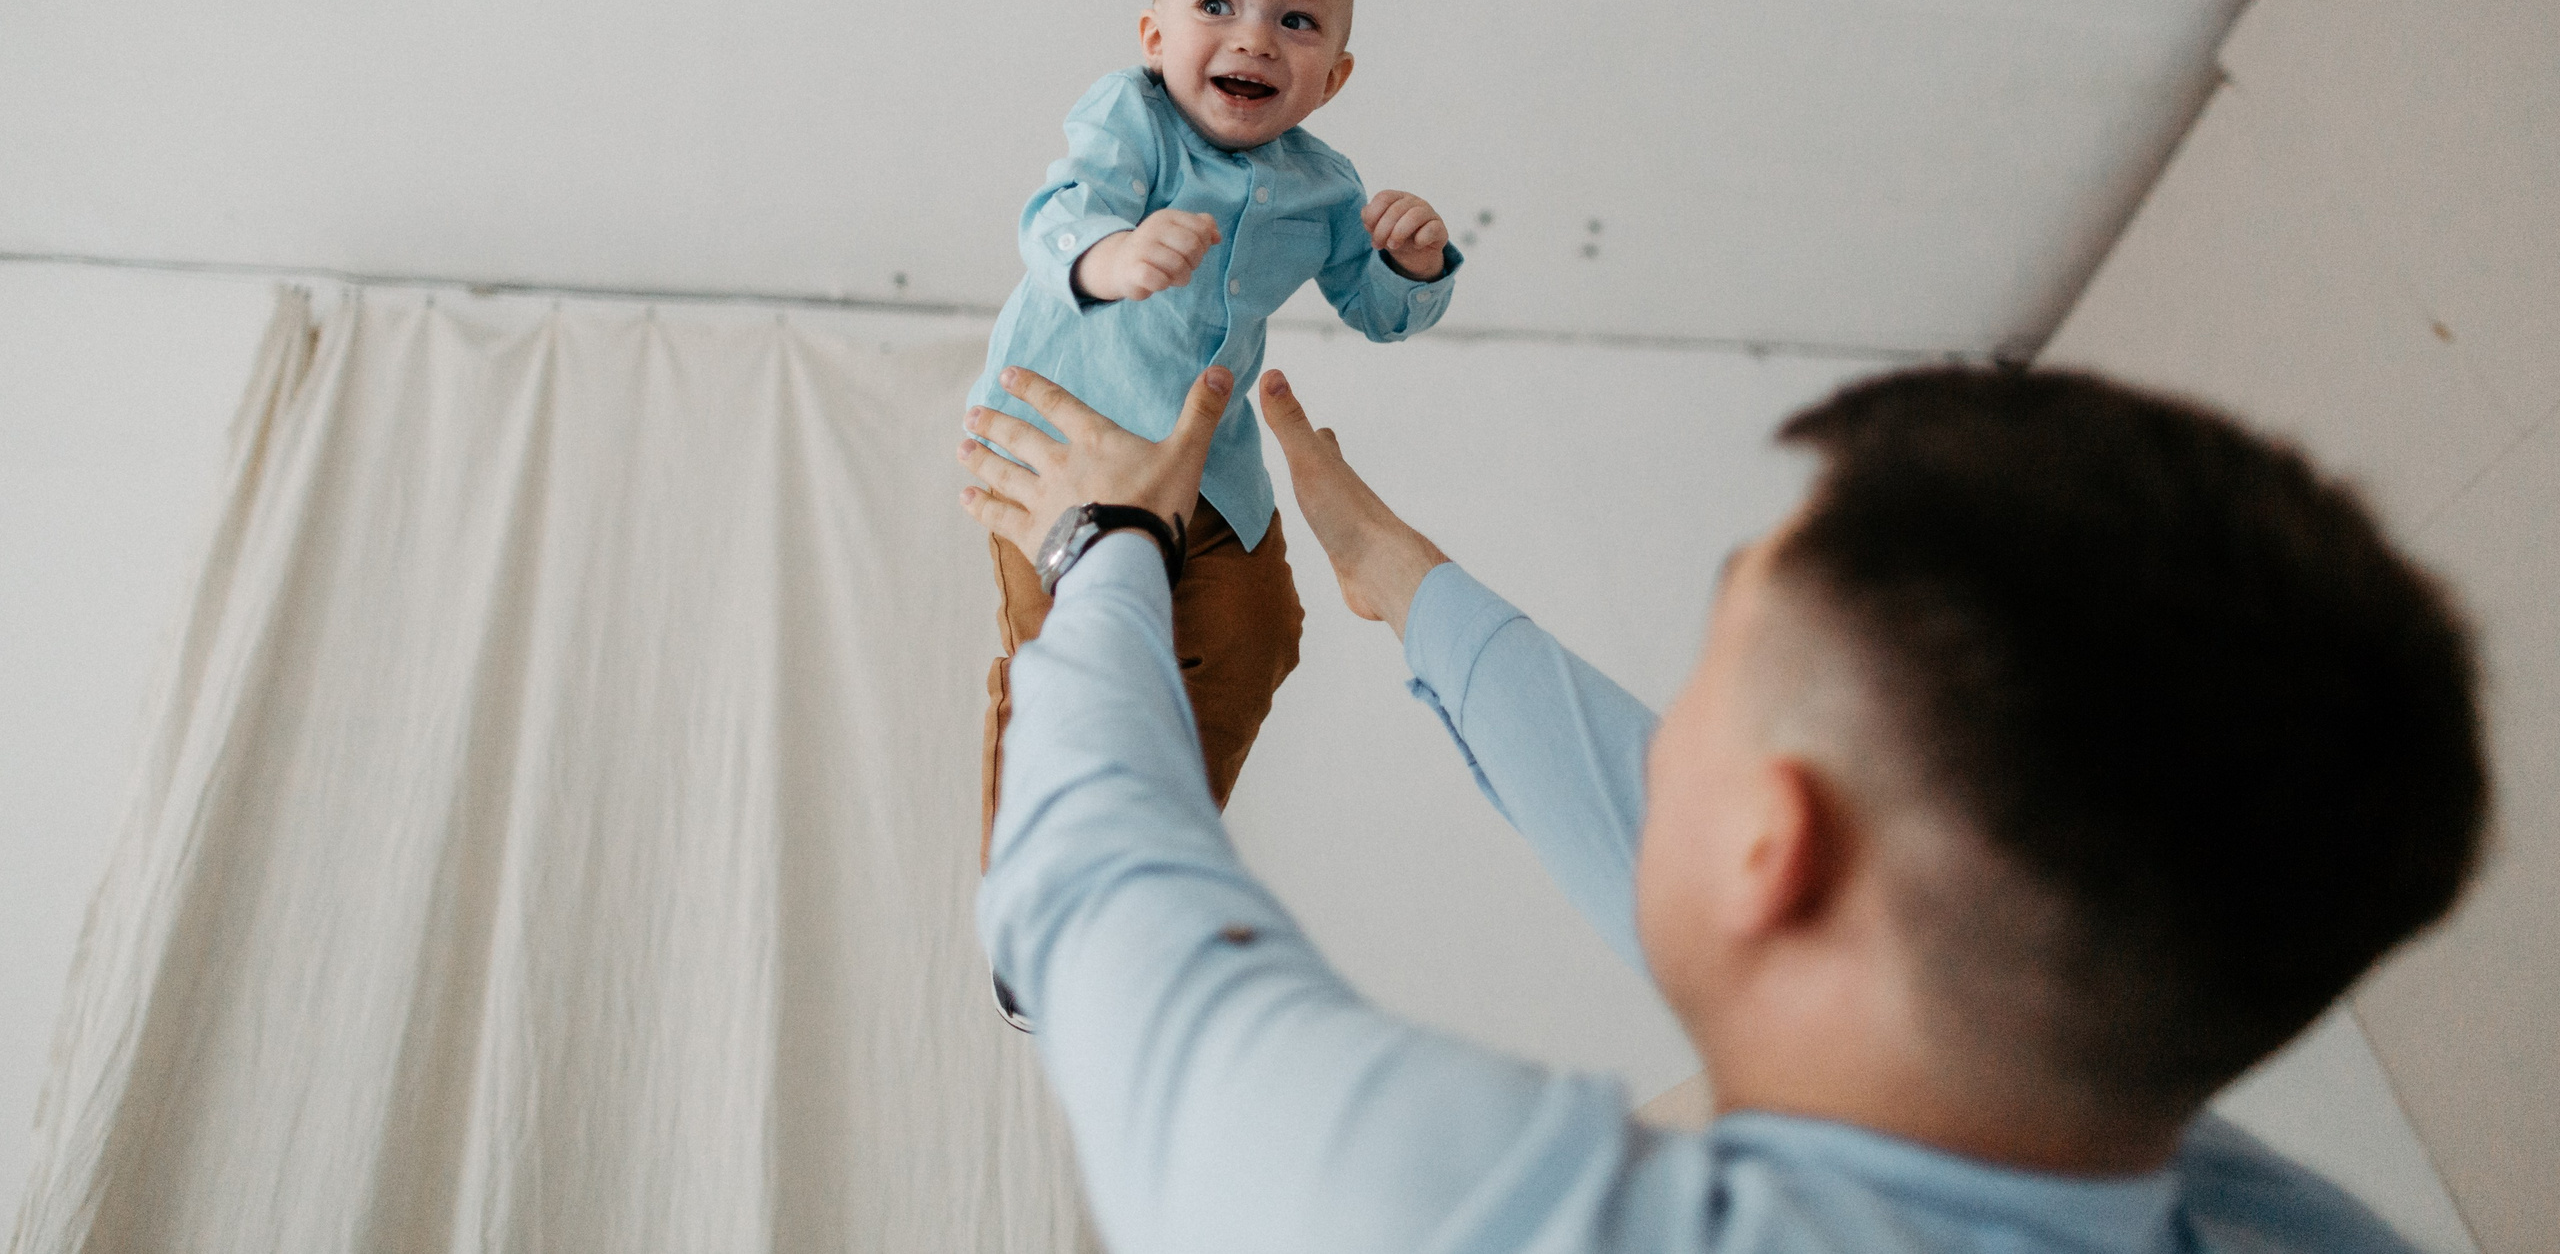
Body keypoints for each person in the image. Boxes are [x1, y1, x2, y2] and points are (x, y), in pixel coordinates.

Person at [955, 357, 2488, 1252]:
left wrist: (1106, 544)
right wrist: (1402, 581)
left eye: (1703, 685)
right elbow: (1780, 897)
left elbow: (1098, 902)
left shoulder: (1467, 1217)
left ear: (1772, 843)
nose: (1663, 733)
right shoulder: (2263, 1206)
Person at [965, 0, 1460, 900]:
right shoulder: (1130, 118)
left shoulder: (1324, 184)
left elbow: (1372, 308)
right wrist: (1114, 255)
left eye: (1297, 21)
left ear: (1333, 76)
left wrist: (1411, 263)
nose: (1256, 40)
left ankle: (1155, 852)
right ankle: (1032, 898)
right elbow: (1062, 213)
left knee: (1257, 638)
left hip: (1212, 471)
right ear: (1154, 34)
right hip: (1061, 449)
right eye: (1216, 7)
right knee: (1062, 662)